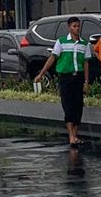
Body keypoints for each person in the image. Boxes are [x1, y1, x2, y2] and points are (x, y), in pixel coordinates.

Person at [34, 16, 91, 147]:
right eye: (74, 26)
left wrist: (86, 81)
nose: (77, 28)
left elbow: (86, 62)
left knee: (78, 107)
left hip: (79, 77)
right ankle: (71, 135)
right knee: (68, 106)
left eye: (78, 26)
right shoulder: (62, 42)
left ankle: (75, 135)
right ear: (69, 27)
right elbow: (53, 58)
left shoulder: (85, 43)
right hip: (66, 77)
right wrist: (42, 73)